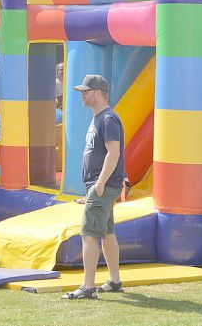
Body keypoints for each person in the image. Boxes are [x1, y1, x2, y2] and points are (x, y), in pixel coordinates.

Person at [63, 74, 125, 300]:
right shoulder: (98, 117)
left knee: (89, 234)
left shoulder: (108, 119)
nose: (82, 94)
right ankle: (114, 281)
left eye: (86, 91)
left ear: (99, 93)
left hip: (103, 185)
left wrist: (99, 184)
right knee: (107, 232)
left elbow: (113, 152)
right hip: (100, 186)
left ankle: (88, 287)